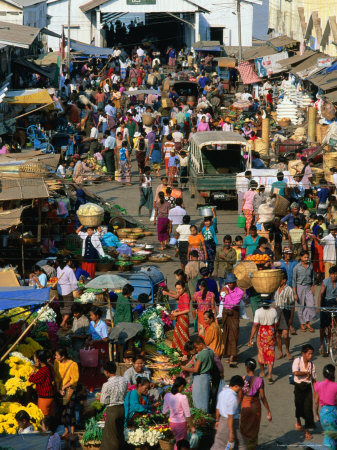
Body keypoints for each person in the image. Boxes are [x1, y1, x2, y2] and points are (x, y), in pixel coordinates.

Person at [240, 358, 272, 450]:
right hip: (255, 405)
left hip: (245, 404)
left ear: (246, 367)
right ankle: (252, 446)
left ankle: (243, 446)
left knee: (244, 425)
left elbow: (240, 396)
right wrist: (268, 411)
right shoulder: (259, 380)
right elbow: (262, 397)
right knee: (254, 426)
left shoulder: (243, 379)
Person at [248, 295, 278, 384]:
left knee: (261, 353)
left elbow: (255, 325)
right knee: (270, 353)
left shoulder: (258, 312)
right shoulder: (274, 311)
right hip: (270, 333)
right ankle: (269, 374)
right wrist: (274, 333)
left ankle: (262, 372)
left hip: (261, 333)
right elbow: (276, 324)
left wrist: (251, 338)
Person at [211, 375, 245, 450]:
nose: (240, 390)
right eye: (240, 388)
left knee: (219, 444)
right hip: (229, 424)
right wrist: (231, 432)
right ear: (236, 386)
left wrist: (217, 421)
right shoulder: (232, 398)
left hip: (222, 421)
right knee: (240, 446)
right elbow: (230, 417)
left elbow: (218, 409)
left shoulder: (222, 393)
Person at [181, 336, 214, 412]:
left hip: (200, 378)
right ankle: (205, 415)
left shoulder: (200, 355)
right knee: (205, 398)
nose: (196, 349)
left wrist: (184, 368)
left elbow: (195, 370)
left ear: (201, 345)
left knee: (198, 398)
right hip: (207, 376)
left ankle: (200, 416)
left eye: (196, 347)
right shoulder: (210, 351)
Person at [100, 361, 128, 450]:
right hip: (122, 409)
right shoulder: (124, 380)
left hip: (113, 410)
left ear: (106, 372)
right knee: (119, 435)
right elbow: (125, 393)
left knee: (110, 437)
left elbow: (103, 401)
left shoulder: (107, 384)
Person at [163, 377, 195, 450]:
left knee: (176, 442)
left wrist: (166, 422)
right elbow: (187, 414)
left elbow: (164, 412)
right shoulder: (183, 397)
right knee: (181, 444)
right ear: (181, 386)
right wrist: (192, 427)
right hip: (181, 424)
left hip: (172, 423)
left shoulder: (167, 395)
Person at [292, 344, 316, 441]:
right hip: (298, 387)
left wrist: (316, 392)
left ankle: (306, 431)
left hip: (307, 388)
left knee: (308, 410)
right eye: (309, 354)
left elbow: (314, 379)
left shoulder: (312, 365)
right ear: (303, 353)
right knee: (298, 407)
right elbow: (295, 372)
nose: (311, 356)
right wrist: (305, 373)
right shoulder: (297, 361)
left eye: (312, 354)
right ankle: (298, 420)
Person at [54, 347, 79, 440]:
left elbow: (75, 379)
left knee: (70, 411)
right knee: (62, 411)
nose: (55, 357)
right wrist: (58, 389)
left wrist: (64, 387)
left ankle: (72, 432)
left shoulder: (73, 364)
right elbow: (56, 376)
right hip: (60, 390)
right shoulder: (56, 363)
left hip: (70, 390)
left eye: (57, 355)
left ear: (63, 356)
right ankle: (66, 431)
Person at [221, 273, 244, 368]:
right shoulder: (226, 289)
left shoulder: (239, 292)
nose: (229, 285)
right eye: (228, 283)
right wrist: (223, 294)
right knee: (226, 333)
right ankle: (230, 354)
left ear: (235, 282)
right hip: (225, 313)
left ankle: (233, 356)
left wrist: (227, 294)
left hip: (233, 313)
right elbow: (222, 300)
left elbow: (233, 304)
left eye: (231, 283)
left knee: (233, 334)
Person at [314, 364, 337, 449]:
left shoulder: (318, 385)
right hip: (333, 414)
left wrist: (317, 414)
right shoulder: (335, 386)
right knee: (333, 436)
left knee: (328, 435)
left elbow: (316, 402)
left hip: (323, 414)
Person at [292, 250, 316, 333]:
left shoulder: (310, 266)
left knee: (311, 305)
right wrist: (295, 293)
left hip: (309, 287)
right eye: (305, 257)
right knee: (301, 306)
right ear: (301, 257)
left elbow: (312, 278)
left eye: (307, 257)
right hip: (300, 287)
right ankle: (303, 324)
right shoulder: (296, 267)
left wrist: (313, 288)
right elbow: (294, 281)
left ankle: (307, 321)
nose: (306, 259)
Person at [317, 266, 337, 355]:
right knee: (322, 326)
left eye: (336, 274)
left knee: (335, 325)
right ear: (330, 274)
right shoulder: (325, 282)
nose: (334, 276)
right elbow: (320, 294)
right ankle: (322, 345)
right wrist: (319, 306)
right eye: (333, 274)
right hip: (325, 303)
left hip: (334, 303)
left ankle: (334, 341)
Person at [29, 350, 55, 417]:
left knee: (43, 417)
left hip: (45, 397)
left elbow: (31, 379)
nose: (34, 359)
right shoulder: (49, 367)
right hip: (49, 395)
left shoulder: (43, 370)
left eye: (34, 357)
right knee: (49, 416)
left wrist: (34, 368)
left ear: (38, 359)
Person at [274, 271, 294, 360]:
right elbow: (275, 303)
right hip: (277, 311)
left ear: (284, 280)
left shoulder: (289, 289)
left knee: (285, 335)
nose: (278, 280)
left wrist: (291, 318)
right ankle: (280, 352)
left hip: (286, 312)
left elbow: (293, 304)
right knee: (278, 334)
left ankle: (287, 351)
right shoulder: (276, 288)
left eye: (280, 279)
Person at [57, 258, 78, 330]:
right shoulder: (69, 270)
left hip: (60, 291)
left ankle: (65, 326)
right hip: (67, 291)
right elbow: (74, 282)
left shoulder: (58, 268)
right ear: (68, 262)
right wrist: (76, 289)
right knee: (69, 308)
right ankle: (63, 323)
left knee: (63, 308)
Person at [170, 281, 190, 354]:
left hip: (183, 317)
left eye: (180, 289)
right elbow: (182, 307)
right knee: (178, 333)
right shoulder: (181, 295)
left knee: (183, 334)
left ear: (184, 288)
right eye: (177, 289)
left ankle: (186, 352)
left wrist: (177, 313)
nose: (178, 290)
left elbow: (187, 309)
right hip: (179, 316)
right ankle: (179, 350)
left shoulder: (185, 296)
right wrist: (176, 310)